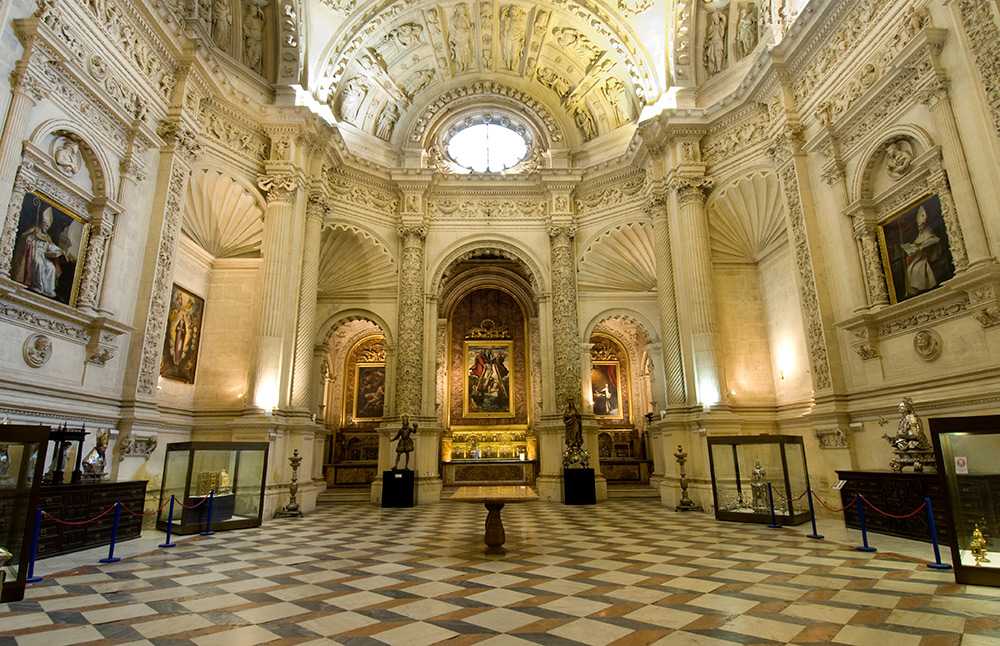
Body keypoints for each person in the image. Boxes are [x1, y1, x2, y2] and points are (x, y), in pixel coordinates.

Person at [12, 207, 70, 299]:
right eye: (45, 224)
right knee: (38, 264)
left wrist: (60, 251)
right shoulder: (34, 231)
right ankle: (37, 286)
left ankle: (48, 290)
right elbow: (25, 237)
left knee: (51, 268)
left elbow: (51, 246)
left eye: (47, 226)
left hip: (44, 255)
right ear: (41, 223)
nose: (46, 227)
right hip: (34, 253)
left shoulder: (47, 237)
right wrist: (29, 239)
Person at [902, 206, 941, 296]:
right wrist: (913, 248)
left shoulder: (928, 231)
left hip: (926, 256)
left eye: (921, 226)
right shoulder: (920, 234)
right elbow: (917, 243)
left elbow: (935, 239)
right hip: (918, 257)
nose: (919, 227)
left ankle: (923, 286)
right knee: (910, 269)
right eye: (918, 226)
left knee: (916, 269)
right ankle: (916, 290)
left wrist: (921, 247)